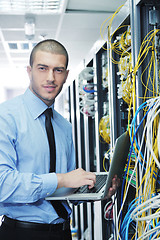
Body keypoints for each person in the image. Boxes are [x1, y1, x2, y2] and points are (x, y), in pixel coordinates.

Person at [0, 39, 119, 240]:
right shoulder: (6, 117)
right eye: (42, 68)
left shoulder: (63, 126)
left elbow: (65, 191)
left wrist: (94, 191)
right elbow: (3, 185)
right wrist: (62, 178)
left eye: (58, 70)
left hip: (62, 233)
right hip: (21, 233)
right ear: (29, 71)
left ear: (66, 75)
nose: (50, 78)